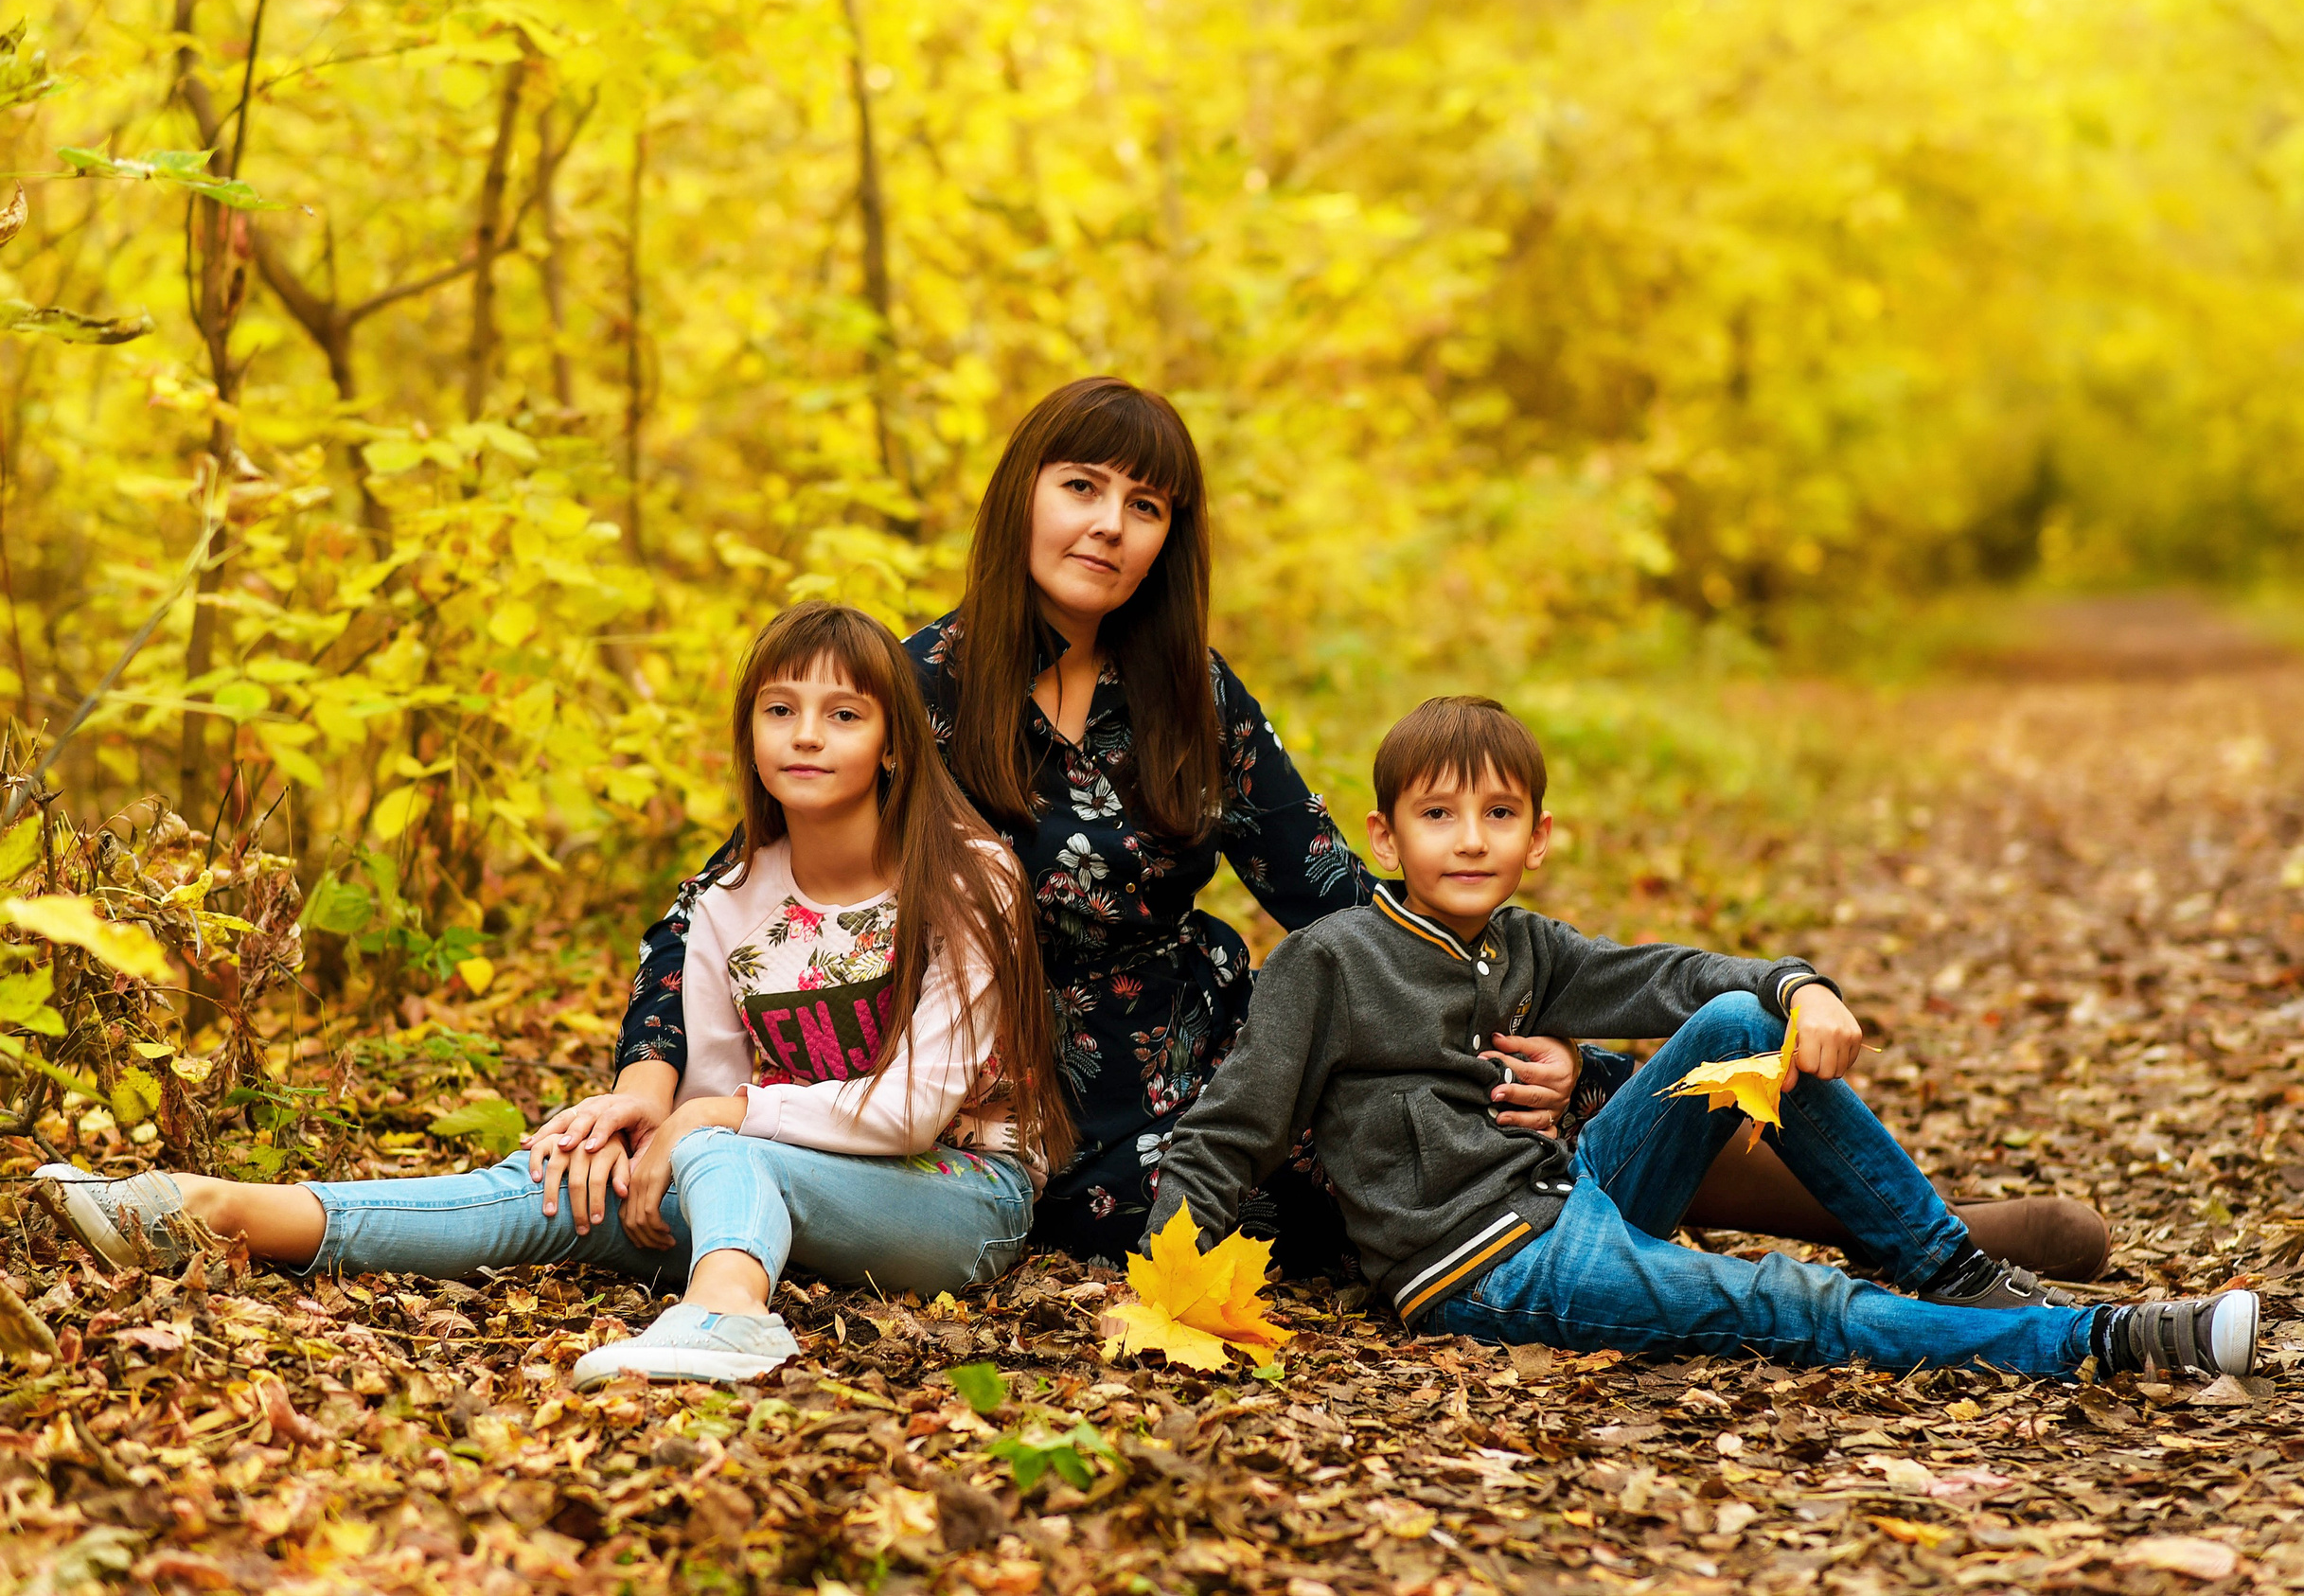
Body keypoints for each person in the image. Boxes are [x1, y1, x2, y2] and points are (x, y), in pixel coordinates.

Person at [567, 376, 2107, 1276]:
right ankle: (1778, 1220)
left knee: (1458, 1083)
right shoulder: (910, 684)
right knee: (1372, 1194)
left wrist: (1498, 1008)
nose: (1109, 522)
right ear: (1021, 495)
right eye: (1082, 484)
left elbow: (1332, 893)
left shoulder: (1189, 694)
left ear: (1173, 536)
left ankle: (1896, 1213)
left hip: (1211, 1043)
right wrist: (653, 1076)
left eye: (1146, 503)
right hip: (996, 1094)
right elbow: (729, 887)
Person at [36, 603, 1071, 1388]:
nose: (807, 734)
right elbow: (710, 1080)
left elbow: (907, 1109)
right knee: (546, 1183)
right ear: (751, 732)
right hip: (773, 1174)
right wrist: (638, 1135)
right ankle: (213, 1210)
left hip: (958, 1198)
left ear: (892, 742)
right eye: (780, 709)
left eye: (843, 713)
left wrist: (706, 1119)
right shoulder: (726, 898)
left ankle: (728, 1309)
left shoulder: (965, 877)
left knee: (721, 1145)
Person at [1143, 696, 2259, 1378]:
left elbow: (1671, 977)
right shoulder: (1330, 960)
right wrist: (1165, 1294)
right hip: (1480, 1261)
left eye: (1497, 816)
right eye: (1438, 815)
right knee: (1788, 1303)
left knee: (1734, 1022)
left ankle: (1950, 1268)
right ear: (1385, 831)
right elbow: (1225, 1132)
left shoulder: (1524, 945)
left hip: (1570, 1190)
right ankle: (2100, 1343)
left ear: (1538, 838)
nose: (1468, 840)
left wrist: (1798, 986)